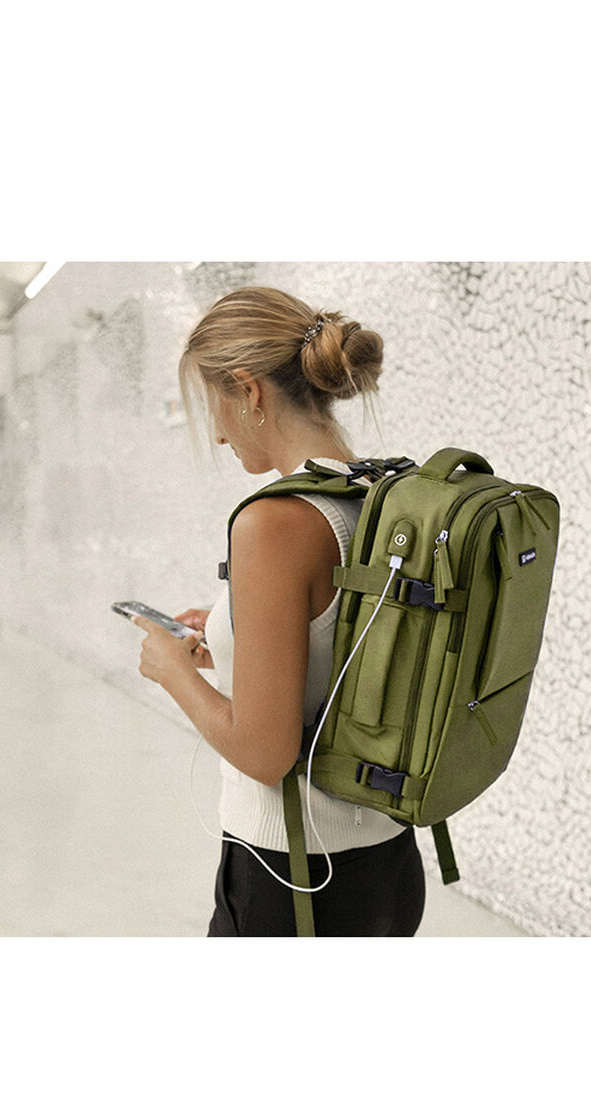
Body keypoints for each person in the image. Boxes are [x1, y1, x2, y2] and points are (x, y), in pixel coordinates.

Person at [132, 286, 427, 937]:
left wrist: (171, 670)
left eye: (215, 405)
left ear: (249, 391)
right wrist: (228, 637)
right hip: (391, 864)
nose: (217, 431)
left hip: (294, 881)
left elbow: (265, 753)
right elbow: (347, 647)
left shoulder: (273, 522)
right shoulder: (387, 494)